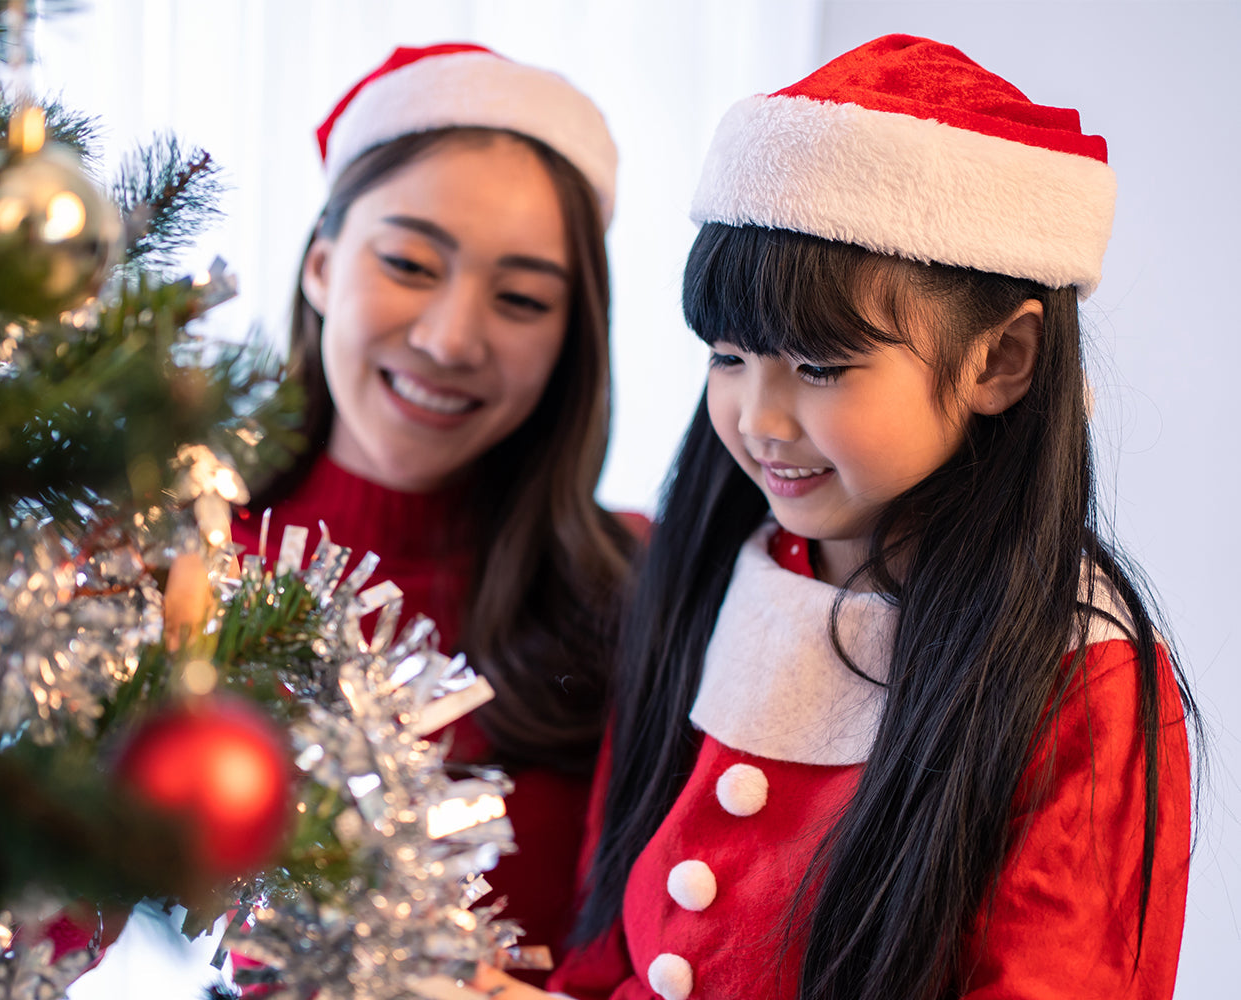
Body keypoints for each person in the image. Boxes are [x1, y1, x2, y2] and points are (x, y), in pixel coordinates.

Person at [476, 33, 1198, 1000]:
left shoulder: (1076, 666)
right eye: (729, 356)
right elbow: (609, 957)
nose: (759, 419)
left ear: (1002, 362)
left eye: (819, 367)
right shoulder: (706, 572)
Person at [231, 43, 642, 977]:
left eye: (522, 298)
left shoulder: (640, 594)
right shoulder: (171, 570)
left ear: (571, 338)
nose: (451, 339)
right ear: (325, 266)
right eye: (412, 262)